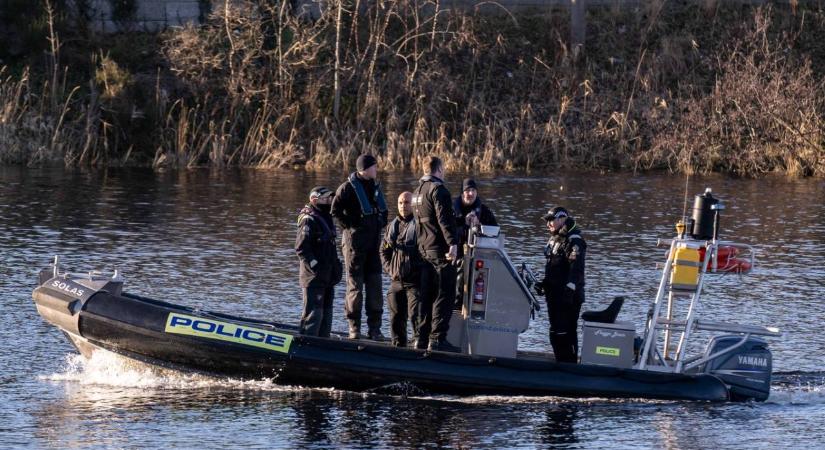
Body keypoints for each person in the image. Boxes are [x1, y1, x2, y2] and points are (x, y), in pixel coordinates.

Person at [331, 154, 389, 340]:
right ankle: (354, 327)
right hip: (355, 245)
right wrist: (350, 225)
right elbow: (335, 211)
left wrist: (381, 222)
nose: (376, 169)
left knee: (375, 285)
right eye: (374, 166)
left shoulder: (374, 186)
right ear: (364, 168)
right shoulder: (347, 188)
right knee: (355, 287)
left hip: (373, 244)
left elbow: (384, 211)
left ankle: (375, 329)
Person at [412, 156, 460, 352]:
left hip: (423, 250)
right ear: (439, 169)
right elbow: (444, 219)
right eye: (444, 169)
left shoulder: (417, 191)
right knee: (444, 294)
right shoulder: (438, 190)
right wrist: (453, 244)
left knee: (426, 296)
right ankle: (438, 339)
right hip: (440, 251)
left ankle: (420, 339)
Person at [295, 186, 343, 337]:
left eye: (331, 198)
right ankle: (307, 343)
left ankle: (323, 343)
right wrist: (315, 266)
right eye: (326, 198)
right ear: (315, 200)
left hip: (328, 276)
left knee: (326, 314)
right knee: (313, 315)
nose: (330, 201)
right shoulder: (308, 220)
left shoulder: (326, 217)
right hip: (314, 277)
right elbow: (301, 248)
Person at [541, 206, 586, 363]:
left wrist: (569, 291)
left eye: (551, 220)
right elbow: (554, 267)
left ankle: (569, 365)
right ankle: (560, 362)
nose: (548, 224)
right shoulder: (555, 239)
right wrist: (544, 284)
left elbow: (576, 270)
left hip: (567, 299)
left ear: (562, 219)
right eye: (547, 221)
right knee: (554, 332)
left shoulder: (574, 241)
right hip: (554, 296)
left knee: (565, 333)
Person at [380, 192, 423, 347]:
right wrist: (390, 269)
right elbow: (383, 251)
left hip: (415, 281)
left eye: (406, 202)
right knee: (396, 317)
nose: (403, 206)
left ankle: (420, 345)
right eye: (400, 203)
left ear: (413, 204)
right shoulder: (393, 226)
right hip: (397, 280)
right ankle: (398, 345)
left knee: (416, 316)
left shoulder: (420, 225)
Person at [453, 178, 498, 246]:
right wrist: (463, 222)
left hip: (476, 249)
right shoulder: (452, 209)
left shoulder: (484, 211)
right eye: (467, 190)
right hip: (456, 248)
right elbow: (446, 229)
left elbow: (496, 233)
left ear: (476, 193)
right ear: (462, 194)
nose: (471, 193)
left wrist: (480, 228)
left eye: (473, 190)